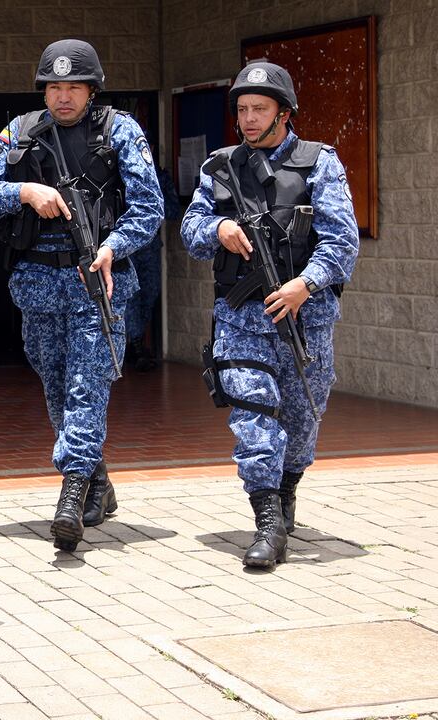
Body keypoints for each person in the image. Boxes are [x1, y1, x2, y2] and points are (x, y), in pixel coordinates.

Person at [0, 39, 163, 551]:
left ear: (92, 89)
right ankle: (98, 481)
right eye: (54, 87)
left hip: (95, 281)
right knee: (57, 388)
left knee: (85, 387)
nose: (64, 96)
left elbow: (148, 208)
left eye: (74, 86)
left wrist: (113, 247)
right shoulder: (22, 131)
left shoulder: (120, 131)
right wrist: (24, 192)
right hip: (37, 285)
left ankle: (72, 494)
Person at [181, 61, 358, 568]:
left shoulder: (319, 163)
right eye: (242, 110)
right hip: (242, 319)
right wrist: (217, 231)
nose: (250, 119)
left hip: (305, 318)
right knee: (254, 415)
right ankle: (267, 523)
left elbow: (341, 242)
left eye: (260, 109)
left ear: (284, 113)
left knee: (302, 421)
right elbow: (190, 228)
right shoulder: (220, 166)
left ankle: (286, 492)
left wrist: (305, 284)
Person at [126, 165, 181, 371]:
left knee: (150, 292)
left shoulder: (159, 176)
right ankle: (138, 345)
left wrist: (153, 204)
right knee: (131, 297)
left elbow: (173, 211)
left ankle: (136, 340)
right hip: (125, 247)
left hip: (149, 246)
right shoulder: (120, 171)